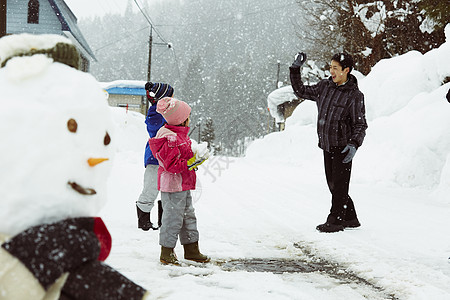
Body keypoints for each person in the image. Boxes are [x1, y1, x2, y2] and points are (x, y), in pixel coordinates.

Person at [289, 52, 368, 233]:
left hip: (343, 147)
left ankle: (335, 220)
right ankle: (351, 217)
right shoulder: (324, 87)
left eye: (335, 68)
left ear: (346, 70)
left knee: (339, 186)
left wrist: (354, 144)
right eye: (330, 67)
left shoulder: (354, 96)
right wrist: (295, 70)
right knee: (334, 185)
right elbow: (301, 90)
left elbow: (360, 124)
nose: (331, 71)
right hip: (326, 144)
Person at [149, 97, 210, 265]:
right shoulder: (169, 138)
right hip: (173, 185)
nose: (190, 118)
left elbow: (183, 157)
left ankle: (191, 249)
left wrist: (195, 153)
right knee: (172, 218)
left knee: (187, 216)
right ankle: (166, 252)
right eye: (188, 116)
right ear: (181, 119)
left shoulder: (178, 135)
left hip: (182, 183)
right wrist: (194, 161)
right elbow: (172, 165)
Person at [136, 82, 174, 231]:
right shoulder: (154, 113)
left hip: (167, 158)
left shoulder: (167, 113)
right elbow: (155, 132)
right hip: (154, 158)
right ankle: (143, 219)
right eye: (169, 97)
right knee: (151, 188)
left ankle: (163, 220)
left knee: (167, 189)